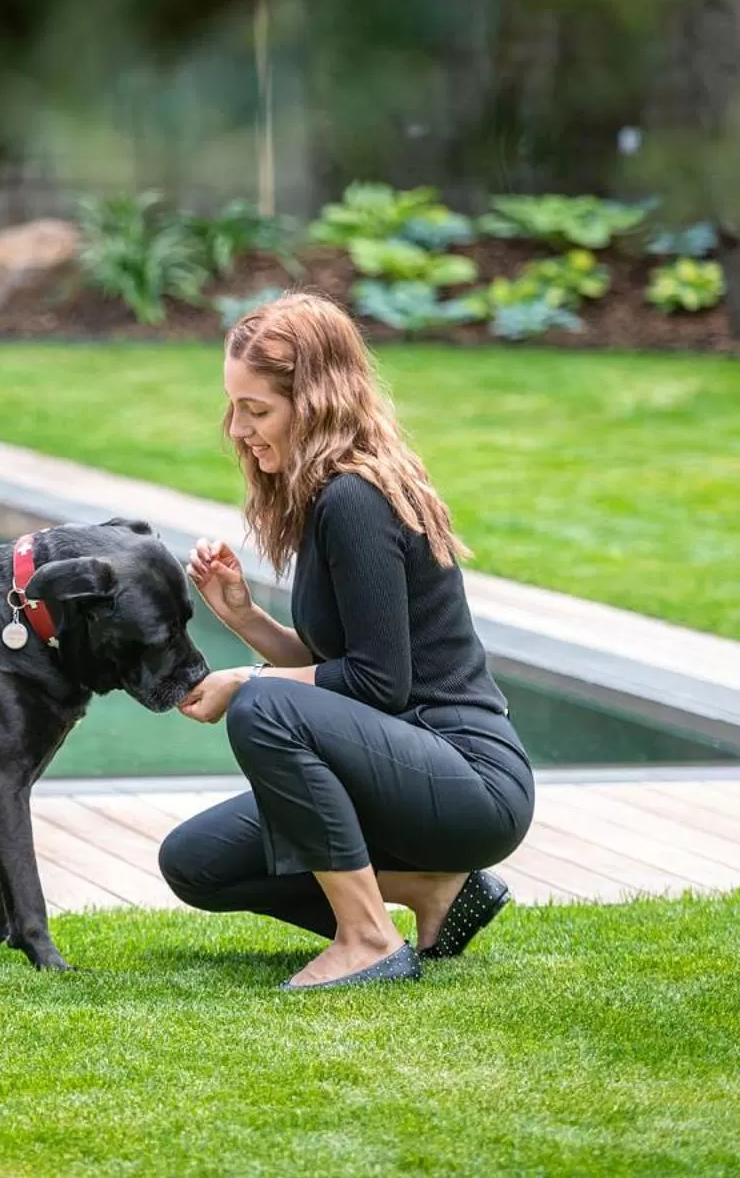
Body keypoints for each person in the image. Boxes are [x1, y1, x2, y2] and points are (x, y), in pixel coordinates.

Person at [159, 292, 535, 990]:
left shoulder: (354, 499)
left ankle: (367, 938)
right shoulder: (326, 496)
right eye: (234, 406)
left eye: (258, 409)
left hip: (470, 778)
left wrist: (248, 680)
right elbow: (343, 676)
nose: (239, 429)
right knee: (197, 860)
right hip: (405, 767)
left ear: (317, 401)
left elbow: (375, 685)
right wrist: (246, 619)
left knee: (262, 707)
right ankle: (434, 891)